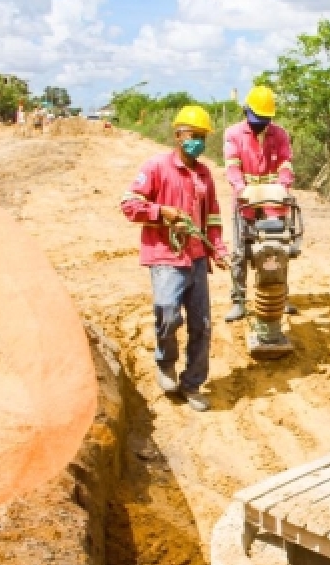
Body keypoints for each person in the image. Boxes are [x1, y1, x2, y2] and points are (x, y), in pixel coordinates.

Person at [120, 105, 230, 411]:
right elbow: (129, 205)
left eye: (203, 137)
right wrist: (162, 213)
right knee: (168, 312)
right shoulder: (155, 167)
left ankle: (192, 383)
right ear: (178, 135)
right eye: (193, 135)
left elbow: (212, 218)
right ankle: (165, 362)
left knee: (202, 324)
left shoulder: (205, 173)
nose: (197, 142)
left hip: (196, 259)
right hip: (166, 256)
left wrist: (217, 249)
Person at [221, 85, 294, 322]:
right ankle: (239, 300)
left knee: (277, 250)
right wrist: (241, 189)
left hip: (273, 201)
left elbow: (285, 163)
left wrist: (283, 185)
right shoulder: (233, 134)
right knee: (241, 252)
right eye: (256, 120)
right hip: (246, 202)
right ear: (246, 112)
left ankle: (279, 297)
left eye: (264, 120)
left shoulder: (280, 134)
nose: (259, 124)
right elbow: (232, 166)